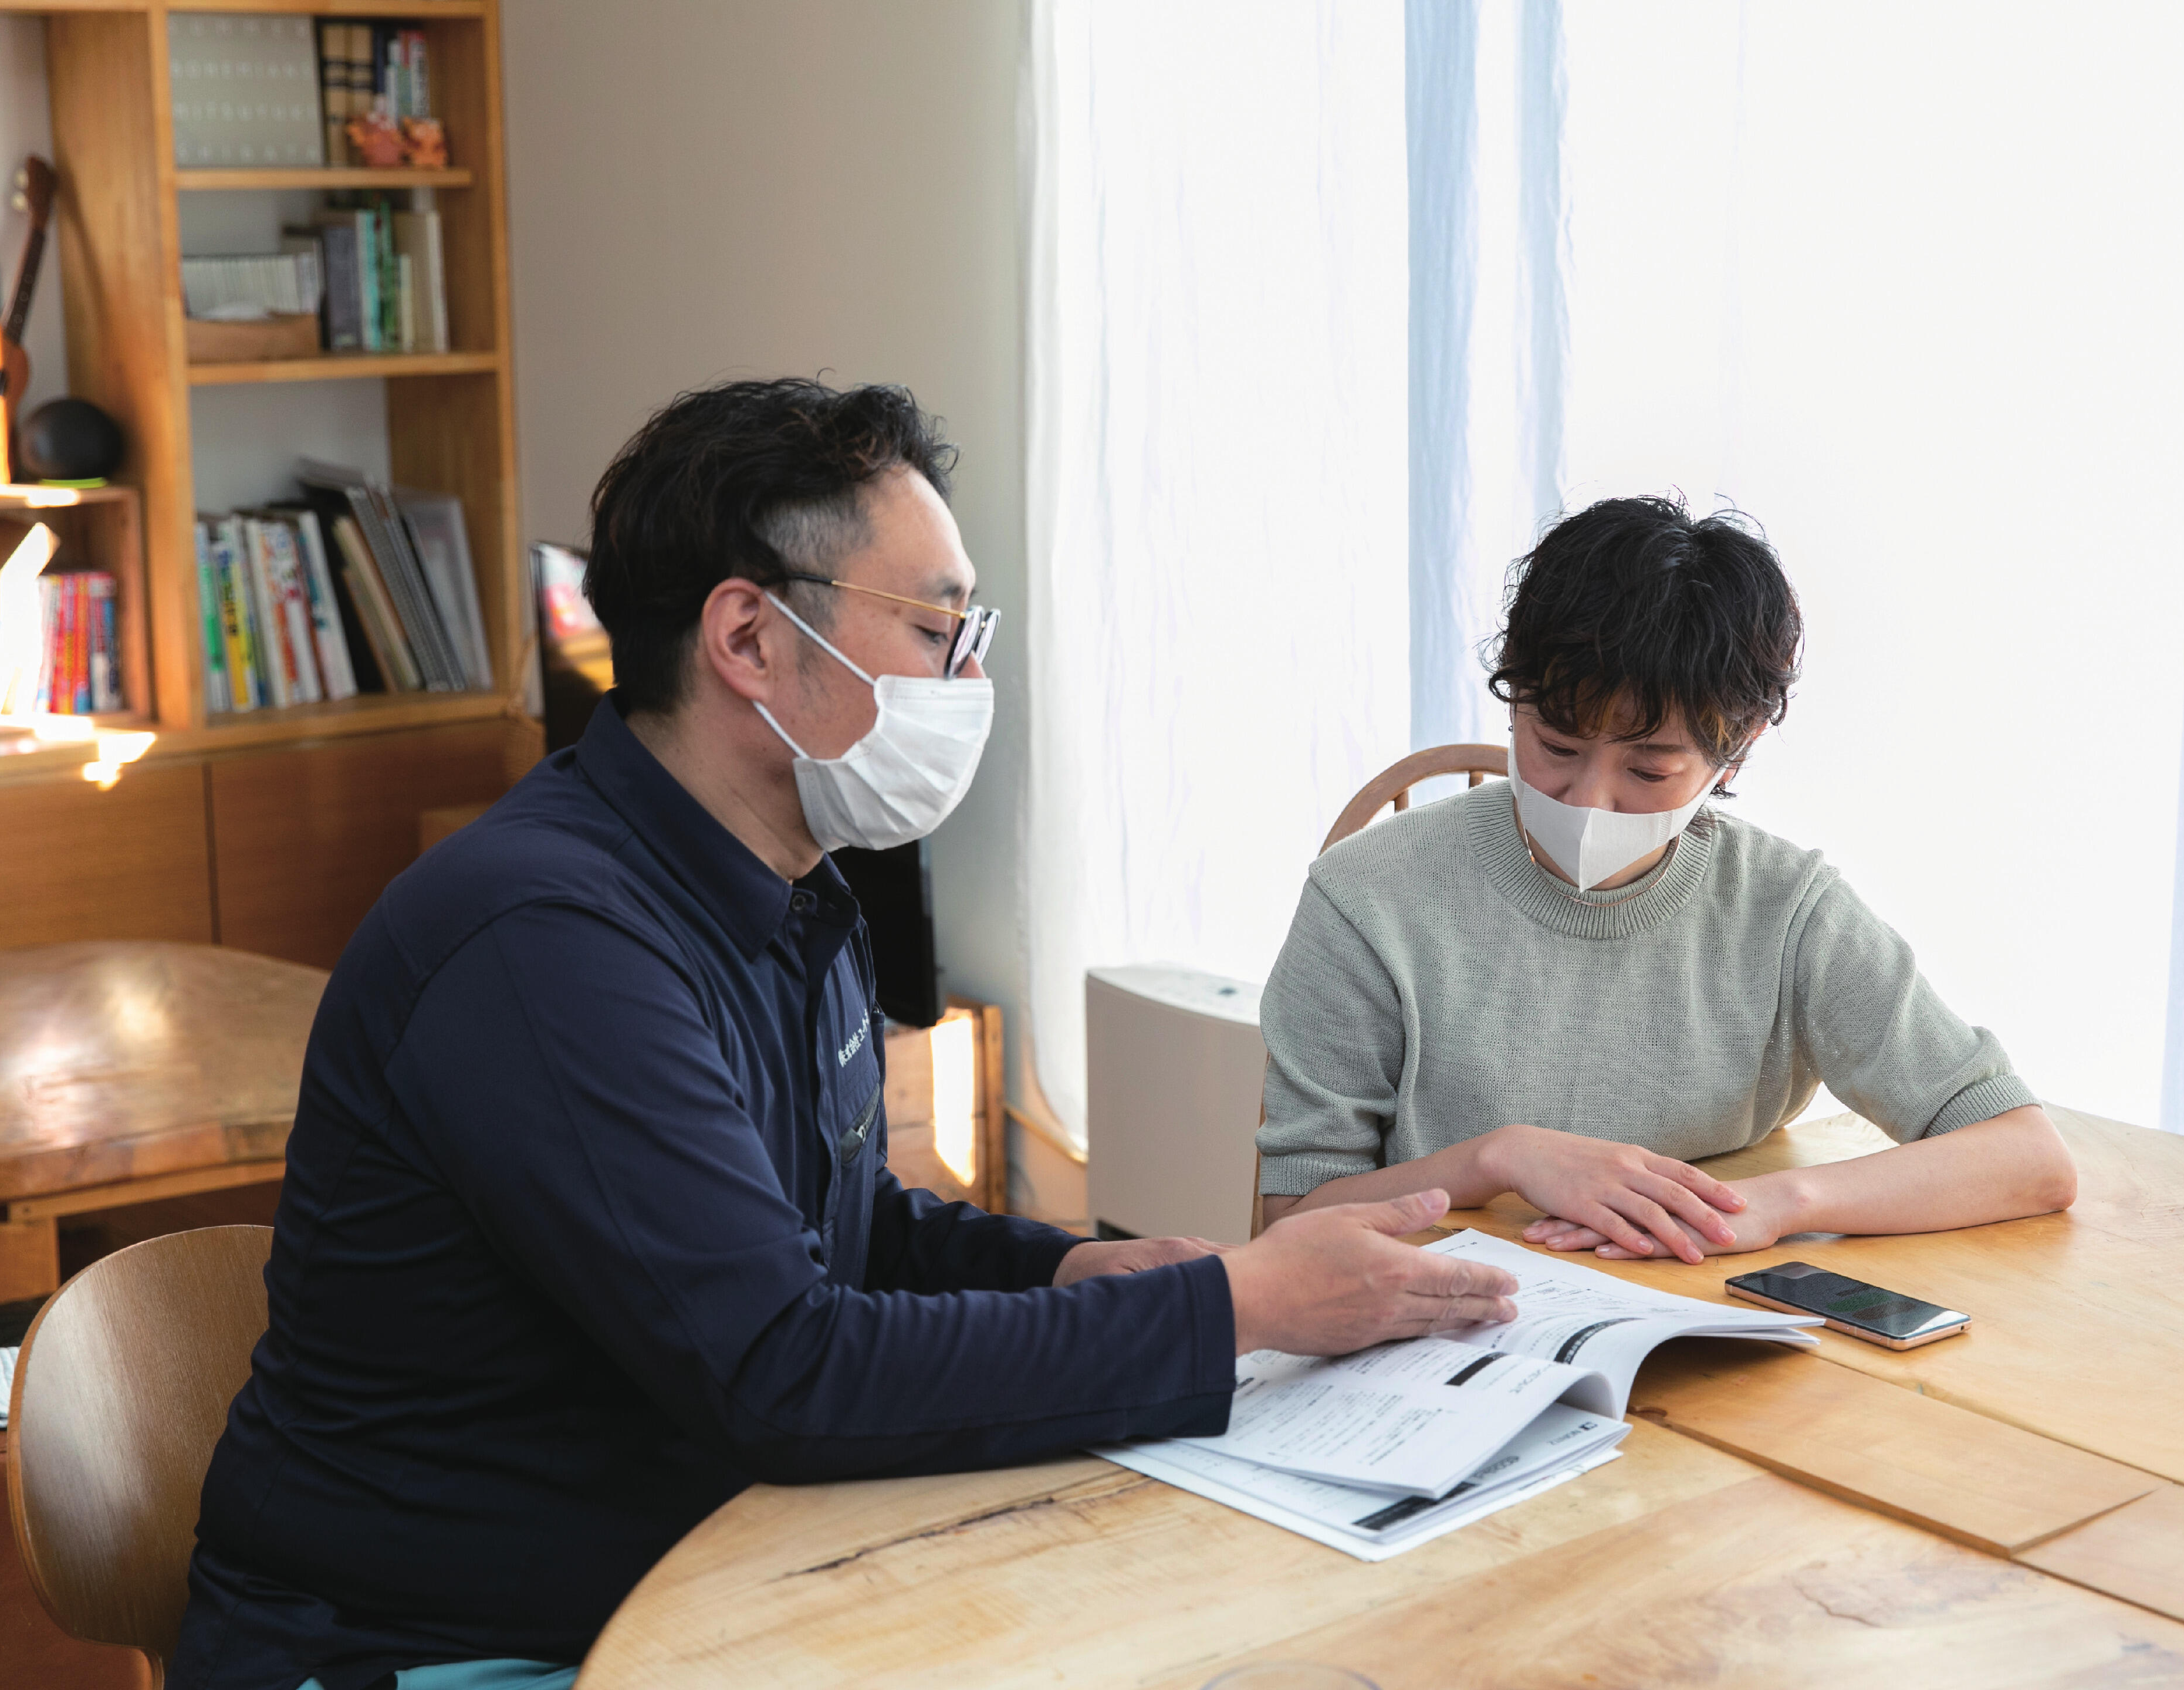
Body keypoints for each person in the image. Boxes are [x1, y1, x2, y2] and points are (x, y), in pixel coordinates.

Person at [174, 380, 1517, 1690]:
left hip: (702, 1582)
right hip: (436, 1647)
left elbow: (853, 1230)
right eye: (936, 628)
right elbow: (785, 1371)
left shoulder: (797, 886)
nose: (971, 673)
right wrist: (1235, 1308)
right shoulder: (543, 938)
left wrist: (1077, 1277)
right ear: (750, 642)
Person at [1257, 495, 2078, 1261]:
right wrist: (1497, 1159)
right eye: (1557, 748)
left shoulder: (1784, 909)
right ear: (1514, 698)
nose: (1589, 801)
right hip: (1441, 1329)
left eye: (1649, 772)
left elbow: (2028, 1158)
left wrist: (1780, 1202)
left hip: (1692, 1316)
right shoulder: (1369, 896)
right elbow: (1291, 1220)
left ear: (1739, 748)